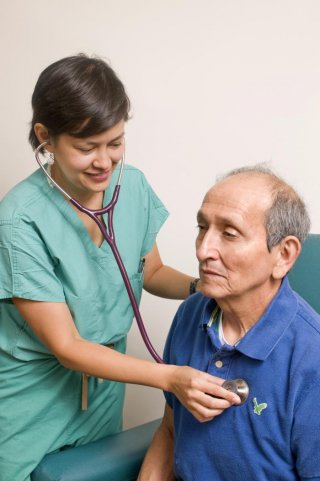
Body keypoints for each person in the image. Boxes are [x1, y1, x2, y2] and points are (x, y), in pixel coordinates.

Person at [0, 54, 240, 481]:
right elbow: (67, 346)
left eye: (115, 143)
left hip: (104, 389)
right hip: (31, 396)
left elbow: (149, 272)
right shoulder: (20, 220)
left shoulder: (133, 187)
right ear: (45, 138)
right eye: (86, 147)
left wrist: (201, 287)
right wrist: (172, 378)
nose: (104, 162)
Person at [138, 165, 320, 481]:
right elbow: (169, 431)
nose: (203, 249)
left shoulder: (311, 358)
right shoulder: (191, 313)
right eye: (201, 227)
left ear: (283, 255)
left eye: (229, 233)